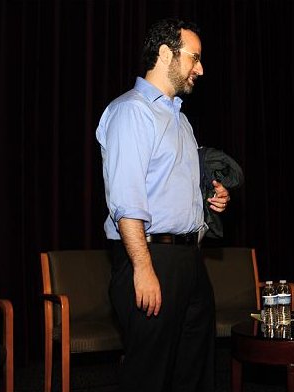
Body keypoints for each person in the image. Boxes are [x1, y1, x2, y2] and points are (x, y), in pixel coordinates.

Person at [96, 17, 231, 392]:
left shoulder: (180, 119)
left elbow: (170, 187)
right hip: (152, 258)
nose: (201, 69)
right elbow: (126, 199)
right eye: (195, 58)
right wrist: (143, 267)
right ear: (165, 53)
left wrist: (211, 198)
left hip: (189, 262)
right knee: (149, 376)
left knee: (193, 373)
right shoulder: (131, 111)